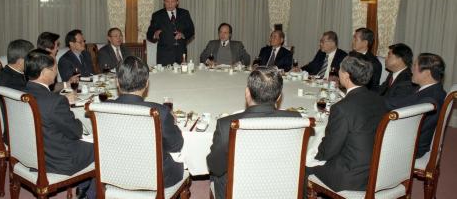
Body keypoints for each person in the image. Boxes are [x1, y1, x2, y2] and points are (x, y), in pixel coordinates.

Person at [207, 66, 300, 199]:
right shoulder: (295, 119)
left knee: (217, 174)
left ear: (247, 93)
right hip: (282, 188)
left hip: (239, 192)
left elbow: (215, 167)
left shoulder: (226, 125)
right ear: (279, 96)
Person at [306, 55, 386, 193]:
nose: (338, 73)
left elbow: (329, 150)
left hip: (351, 176)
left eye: (340, 70)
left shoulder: (342, 108)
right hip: (378, 170)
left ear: (346, 76)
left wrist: (314, 156)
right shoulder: (379, 100)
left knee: (303, 166)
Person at [24, 49, 94, 197]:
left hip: (31, 154)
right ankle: (90, 192)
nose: (56, 73)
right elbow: (76, 132)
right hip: (59, 160)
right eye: (54, 69)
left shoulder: (21, 93)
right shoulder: (55, 102)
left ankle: (84, 187)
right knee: (102, 145)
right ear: (44, 72)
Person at [113, 56, 184, 187]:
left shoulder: (102, 108)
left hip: (113, 172)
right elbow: (176, 145)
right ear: (146, 84)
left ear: (117, 82)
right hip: (156, 177)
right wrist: (173, 123)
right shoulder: (159, 112)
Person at [385, 53, 446, 158]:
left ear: (427, 73)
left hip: (411, 147)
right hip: (414, 138)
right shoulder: (436, 90)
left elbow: (395, 105)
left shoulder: (429, 100)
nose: (411, 70)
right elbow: (404, 100)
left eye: (415, 66)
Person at [146, 0, 195, 65]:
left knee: (181, 76)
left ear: (177, 2)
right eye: (167, 1)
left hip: (181, 54)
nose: (170, 3)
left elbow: (191, 30)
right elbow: (149, 34)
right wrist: (154, 34)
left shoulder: (184, 13)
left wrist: (183, 34)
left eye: (173, 1)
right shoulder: (157, 15)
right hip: (164, 56)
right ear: (164, 2)